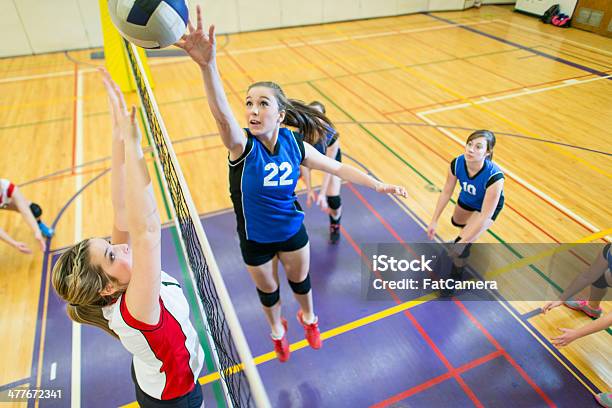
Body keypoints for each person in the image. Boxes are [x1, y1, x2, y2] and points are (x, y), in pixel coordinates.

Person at [176, 5, 407, 362]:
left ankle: (310, 318)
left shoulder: (294, 144)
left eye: (262, 104)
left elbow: (339, 168)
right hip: (254, 240)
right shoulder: (242, 147)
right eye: (249, 103)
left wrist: (378, 185)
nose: (252, 110)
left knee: (301, 284)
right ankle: (278, 330)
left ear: (280, 115)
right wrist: (208, 66)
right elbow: (222, 116)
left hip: (290, 231)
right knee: (268, 291)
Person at [52, 70, 204, 407]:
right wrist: (135, 148)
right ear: (107, 287)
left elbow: (121, 203)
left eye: (108, 245)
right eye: (109, 254)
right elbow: (147, 229)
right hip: (176, 397)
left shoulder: (120, 283)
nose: (118, 245)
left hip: (150, 377)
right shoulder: (137, 306)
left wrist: (118, 133)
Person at [427, 130, 504, 291]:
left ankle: (454, 278)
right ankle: (467, 235)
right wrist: (434, 220)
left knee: (461, 246)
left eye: (478, 147)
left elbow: (485, 215)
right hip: (468, 197)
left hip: (486, 209)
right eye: (469, 144)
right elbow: (447, 191)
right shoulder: (457, 163)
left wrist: (462, 243)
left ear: (487, 152)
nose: (471, 149)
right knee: (456, 221)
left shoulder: (494, 177)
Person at [541, 243, 611, 408]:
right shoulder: (609, 250)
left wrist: (576, 333)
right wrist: (561, 298)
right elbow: (589, 276)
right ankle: (592, 308)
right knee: (601, 277)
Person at [300, 101, 344, 244]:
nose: (314, 118)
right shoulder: (302, 134)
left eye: (318, 115)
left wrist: (323, 194)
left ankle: (335, 223)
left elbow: (329, 168)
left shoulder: (332, 136)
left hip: (329, 162)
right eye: (311, 115)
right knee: (287, 179)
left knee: (334, 200)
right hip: (310, 158)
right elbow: (304, 165)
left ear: (323, 118)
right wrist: (309, 190)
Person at [0, 179, 53, 254]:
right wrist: (13, 243)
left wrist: (36, 230)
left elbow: (25, 210)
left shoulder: (8, 187)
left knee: (34, 210)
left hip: (2, 202)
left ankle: (39, 224)